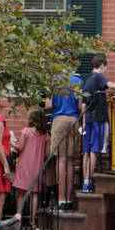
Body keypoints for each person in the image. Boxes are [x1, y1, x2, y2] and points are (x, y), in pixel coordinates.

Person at [81, 55, 115, 192]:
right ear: (101, 66)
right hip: (98, 118)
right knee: (94, 150)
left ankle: (85, 181)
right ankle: (88, 182)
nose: (106, 71)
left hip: (88, 119)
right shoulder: (98, 76)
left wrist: (82, 123)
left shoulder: (88, 80)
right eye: (106, 68)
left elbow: (84, 104)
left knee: (87, 151)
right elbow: (110, 85)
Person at [46, 70, 83, 207]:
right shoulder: (78, 81)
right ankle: (68, 199)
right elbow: (80, 106)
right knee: (70, 160)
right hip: (74, 119)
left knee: (61, 159)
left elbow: (48, 105)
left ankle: (61, 199)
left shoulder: (54, 81)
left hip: (59, 119)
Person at [12, 109, 50, 217]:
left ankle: (18, 220)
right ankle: (33, 222)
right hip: (37, 167)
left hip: (24, 166)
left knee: (21, 194)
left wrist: (11, 143)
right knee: (34, 194)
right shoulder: (45, 136)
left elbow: (20, 147)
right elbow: (47, 154)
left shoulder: (26, 132)